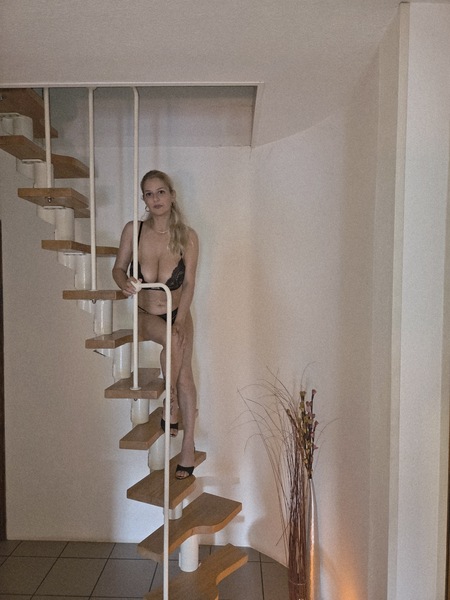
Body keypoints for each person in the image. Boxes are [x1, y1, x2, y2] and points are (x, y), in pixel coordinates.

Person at [112, 170, 199, 479]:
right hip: (146, 315)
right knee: (174, 346)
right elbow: (118, 268)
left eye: (161, 192)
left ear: (172, 195)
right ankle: (170, 404)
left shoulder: (188, 236)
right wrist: (124, 283)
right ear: (144, 200)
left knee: (185, 375)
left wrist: (181, 320)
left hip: (179, 311)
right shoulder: (133, 230)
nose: (156, 199)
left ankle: (187, 444)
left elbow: (189, 283)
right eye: (149, 194)